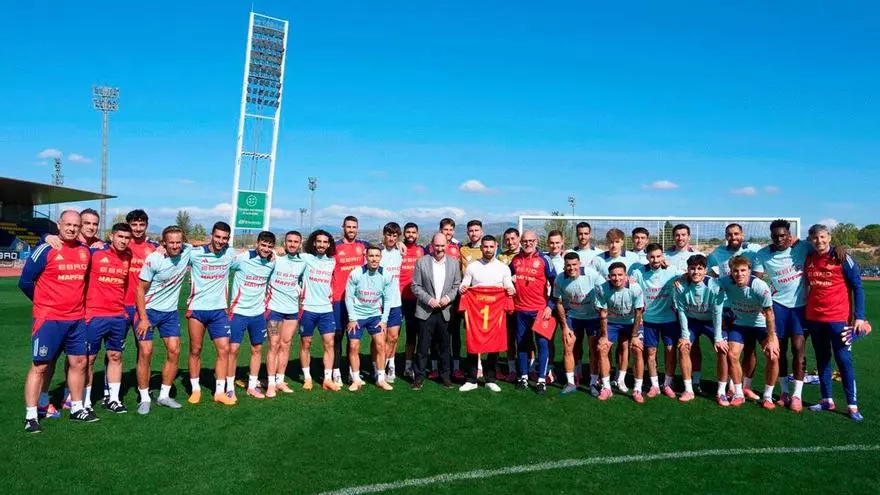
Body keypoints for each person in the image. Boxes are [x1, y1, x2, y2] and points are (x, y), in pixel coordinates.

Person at [19, 210, 93, 432]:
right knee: (40, 366)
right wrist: (43, 302)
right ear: (59, 224)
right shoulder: (46, 248)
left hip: (76, 319)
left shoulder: (84, 252)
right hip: (49, 318)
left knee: (79, 363)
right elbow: (25, 281)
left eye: (76, 225)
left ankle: (77, 408)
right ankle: (31, 416)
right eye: (68, 224)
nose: (72, 228)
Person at [804, 224, 870, 421]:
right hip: (815, 318)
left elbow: (858, 286)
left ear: (830, 237)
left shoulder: (841, 257)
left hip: (838, 319)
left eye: (823, 237)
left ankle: (852, 405)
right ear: (811, 240)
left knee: (844, 361)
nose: (819, 241)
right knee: (823, 359)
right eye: (815, 238)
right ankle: (827, 399)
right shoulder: (809, 257)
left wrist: (859, 316)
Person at [751, 219, 810, 410]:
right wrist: (761, 301)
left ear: (789, 235)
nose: (779, 239)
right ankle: (784, 392)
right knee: (779, 351)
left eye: (783, 235)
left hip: (800, 307)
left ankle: (797, 395)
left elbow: (823, 246)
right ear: (771, 236)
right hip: (778, 308)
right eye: (775, 236)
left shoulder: (802, 248)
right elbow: (756, 280)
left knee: (798, 349)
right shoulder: (763, 254)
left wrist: (839, 249)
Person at [135, 225, 190, 414]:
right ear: (163, 243)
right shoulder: (154, 259)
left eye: (178, 242)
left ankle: (164, 396)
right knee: (146, 352)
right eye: (171, 242)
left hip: (170, 313)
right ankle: (144, 398)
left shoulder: (186, 252)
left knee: (174, 351)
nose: (175, 246)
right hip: (148, 311)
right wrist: (143, 318)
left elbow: (211, 247)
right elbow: (140, 289)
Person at [705, 223, 761, 396]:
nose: (733, 237)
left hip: (748, 307)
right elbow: (710, 274)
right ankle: (731, 385)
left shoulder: (754, 250)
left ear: (742, 234)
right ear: (726, 236)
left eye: (736, 233)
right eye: (730, 234)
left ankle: (746, 386)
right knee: (729, 349)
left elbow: (758, 275)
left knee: (750, 349)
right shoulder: (717, 254)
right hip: (726, 308)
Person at [83, 223, 132, 414]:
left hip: (118, 315)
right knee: (89, 359)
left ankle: (113, 399)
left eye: (126, 238)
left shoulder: (128, 256)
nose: (123, 241)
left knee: (115, 356)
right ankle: (85, 401)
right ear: (111, 236)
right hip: (94, 315)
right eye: (120, 236)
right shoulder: (95, 253)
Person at [185, 222, 236, 405]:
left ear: (228, 239)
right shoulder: (195, 254)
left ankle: (219, 392)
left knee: (224, 349)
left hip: (219, 311)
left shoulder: (230, 254)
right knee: (195, 350)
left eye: (224, 238)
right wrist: (160, 247)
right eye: (217, 237)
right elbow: (178, 247)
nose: (220, 241)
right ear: (211, 235)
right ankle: (196, 389)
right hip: (197, 309)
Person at [718, 255, 779, 409]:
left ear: (749, 271)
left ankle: (768, 396)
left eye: (743, 270)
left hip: (761, 325)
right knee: (732, 355)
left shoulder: (760, 286)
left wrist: (772, 339)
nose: (739, 274)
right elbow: (706, 281)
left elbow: (770, 314)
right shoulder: (725, 282)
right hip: (739, 324)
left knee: (773, 356)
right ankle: (738, 393)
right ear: (731, 272)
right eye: (736, 271)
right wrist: (685, 277)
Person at [458, 235, 515, 393]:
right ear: (481, 248)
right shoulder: (472, 266)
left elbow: (509, 286)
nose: (488, 250)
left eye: (491, 246)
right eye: (486, 247)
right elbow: (465, 284)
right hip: (476, 312)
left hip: (496, 312)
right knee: (472, 344)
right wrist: (462, 288)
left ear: (496, 246)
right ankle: (471, 379)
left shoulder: (503, 267)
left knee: (493, 346)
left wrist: (511, 289)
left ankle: (490, 379)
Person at [673, 255, 729, 405]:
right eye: (692, 268)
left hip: (711, 322)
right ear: (688, 270)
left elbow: (717, 312)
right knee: (684, 347)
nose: (696, 272)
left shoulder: (714, 286)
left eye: (699, 268)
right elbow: (682, 311)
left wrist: (718, 338)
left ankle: (721, 392)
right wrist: (685, 335)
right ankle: (689, 389)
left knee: (723, 349)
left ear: (705, 270)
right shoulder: (680, 287)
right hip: (692, 321)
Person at [410, 233, 461, 389]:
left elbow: (456, 286)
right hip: (426, 310)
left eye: (442, 245)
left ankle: (445, 376)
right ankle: (419, 378)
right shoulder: (422, 262)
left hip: (445, 310)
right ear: (431, 244)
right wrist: (429, 300)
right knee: (423, 347)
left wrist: (448, 298)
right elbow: (415, 286)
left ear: (447, 245)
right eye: (436, 245)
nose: (439, 248)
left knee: (445, 347)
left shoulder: (453, 263)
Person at [228, 231, 276, 399]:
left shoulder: (271, 262)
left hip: (258, 314)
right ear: (257, 243)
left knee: (257, 349)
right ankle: (229, 387)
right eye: (263, 245)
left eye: (270, 246)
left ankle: (252, 385)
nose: (266, 248)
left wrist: (276, 254)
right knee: (233, 349)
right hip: (238, 312)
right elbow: (225, 263)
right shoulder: (244, 258)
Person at [629, 243, 678, 401]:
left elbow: (688, 275)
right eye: (652, 257)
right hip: (649, 320)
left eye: (658, 256)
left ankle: (668, 384)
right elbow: (629, 281)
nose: (655, 260)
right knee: (650, 353)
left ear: (663, 256)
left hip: (669, 319)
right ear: (647, 257)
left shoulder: (672, 270)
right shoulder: (639, 271)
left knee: (670, 350)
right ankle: (655, 385)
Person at [510, 230, 557, 395]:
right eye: (525, 241)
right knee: (522, 344)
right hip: (520, 310)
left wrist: (550, 306)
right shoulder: (515, 260)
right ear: (521, 242)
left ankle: (542, 380)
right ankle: (523, 376)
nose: (528, 243)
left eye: (531, 241)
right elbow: (506, 278)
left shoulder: (545, 260)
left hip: (540, 311)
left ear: (536, 241)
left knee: (542, 345)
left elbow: (555, 284)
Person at [345, 245, 395, 391]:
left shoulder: (386, 275)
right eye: (371, 256)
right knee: (354, 346)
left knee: (380, 344)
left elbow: (388, 299)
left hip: (375, 316)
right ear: (366, 256)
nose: (374, 259)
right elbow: (348, 297)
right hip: (357, 316)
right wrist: (352, 318)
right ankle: (356, 379)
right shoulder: (356, 273)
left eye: (377, 256)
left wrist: (384, 320)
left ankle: (381, 378)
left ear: (380, 257)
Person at [593, 262, 645, 401]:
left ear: (626, 276)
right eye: (613, 275)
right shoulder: (602, 289)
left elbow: (638, 313)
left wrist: (634, 336)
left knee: (638, 349)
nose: (617, 278)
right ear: (609, 276)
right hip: (612, 323)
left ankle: (637, 390)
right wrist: (604, 336)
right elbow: (603, 313)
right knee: (602, 348)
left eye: (620, 275)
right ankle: (606, 388)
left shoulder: (635, 288)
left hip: (631, 322)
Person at [554, 252, 604, 395]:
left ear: (580, 263)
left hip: (592, 317)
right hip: (573, 317)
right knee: (568, 347)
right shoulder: (560, 279)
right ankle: (570, 383)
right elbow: (558, 303)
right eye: (568, 265)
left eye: (574, 264)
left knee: (594, 350)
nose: (571, 268)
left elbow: (605, 288)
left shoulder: (591, 274)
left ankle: (593, 383)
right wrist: (564, 326)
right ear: (564, 266)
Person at [298, 230, 341, 392]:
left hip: (326, 310)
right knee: (306, 343)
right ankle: (307, 378)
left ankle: (327, 379)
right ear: (314, 243)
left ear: (329, 244)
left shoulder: (332, 261)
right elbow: (288, 255)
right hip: (307, 309)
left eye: (325, 242)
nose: (322, 245)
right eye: (319, 241)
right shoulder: (305, 258)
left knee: (329, 343)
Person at [266, 231, 305, 394]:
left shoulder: (303, 262)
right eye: (289, 241)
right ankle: (270, 384)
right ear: (284, 242)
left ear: (300, 244)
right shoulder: (275, 259)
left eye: (296, 241)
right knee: (273, 344)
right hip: (274, 310)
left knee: (286, 344)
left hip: (291, 312)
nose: (292, 244)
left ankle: (280, 380)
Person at [331, 216, 367, 385]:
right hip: (338, 298)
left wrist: (399, 244)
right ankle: (335, 371)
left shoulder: (362, 247)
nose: (351, 229)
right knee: (338, 335)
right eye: (348, 227)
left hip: (356, 300)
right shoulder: (335, 247)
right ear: (343, 227)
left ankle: (350, 372)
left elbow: (381, 250)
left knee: (353, 338)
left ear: (357, 228)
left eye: (354, 227)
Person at [459, 220, 485, 380]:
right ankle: (477, 365)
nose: (474, 233)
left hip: (486, 298)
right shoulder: (463, 249)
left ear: (481, 231)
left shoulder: (489, 248)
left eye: (476, 230)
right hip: (469, 299)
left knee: (486, 331)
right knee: (471, 331)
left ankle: (486, 364)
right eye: (471, 231)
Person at [399, 222, 425, 379]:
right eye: (407, 232)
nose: (410, 234)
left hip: (415, 299)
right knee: (392, 334)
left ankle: (408, 366)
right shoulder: (397, 249)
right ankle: (389, 365)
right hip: (396, 298)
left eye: (413, 232)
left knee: (412, 334)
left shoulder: (422, 251)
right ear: (403, 233)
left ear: (417, 234)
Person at [378, 223, 404, 383]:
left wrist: (401, 244)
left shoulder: (401, 252)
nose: (392, 238)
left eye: (395, 236)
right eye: (389, 235)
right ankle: (378, 368)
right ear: (384, 235)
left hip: (395, 302)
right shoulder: (378, 254)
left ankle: (389, 365)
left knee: (393, 337)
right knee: (380, 339)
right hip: (378, 304)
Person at [497, 228, 521, 381]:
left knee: (525, 338)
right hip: (505, 303)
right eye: (508, 239)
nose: (511, 242)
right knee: (509, 337)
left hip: (524, 303)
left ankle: (528, 368)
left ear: (518, 238)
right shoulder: (501, 257)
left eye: (513, 238)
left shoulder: (527, 255)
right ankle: (512, 369)